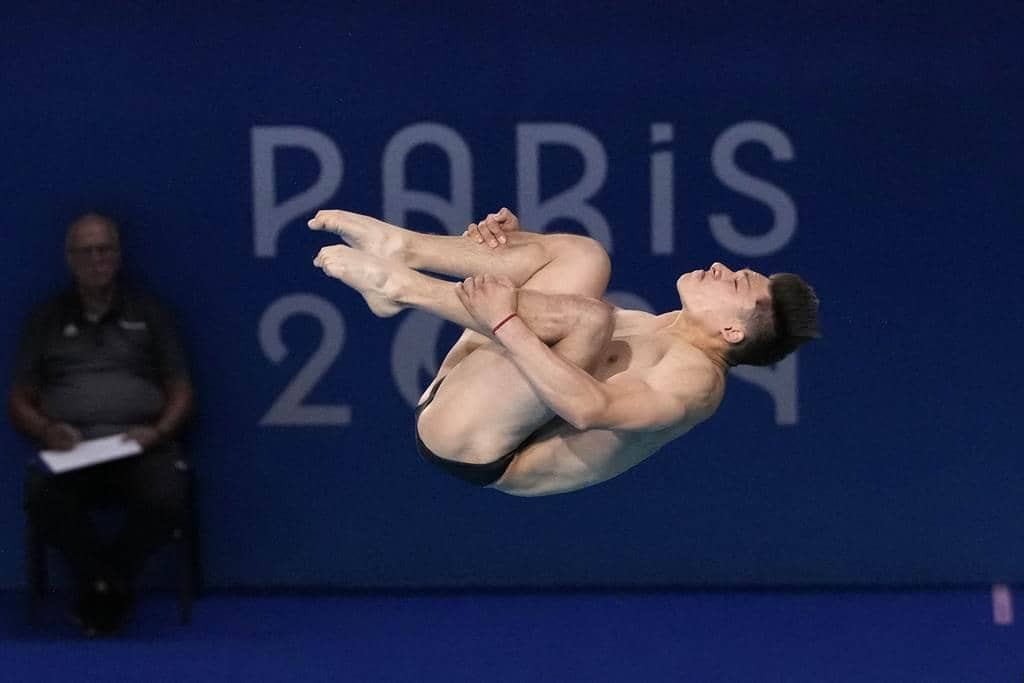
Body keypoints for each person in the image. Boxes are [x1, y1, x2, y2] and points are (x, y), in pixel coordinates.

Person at [309, 208, 818, 496]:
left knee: (589, 318)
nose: (720, 267)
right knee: (583, 255)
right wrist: (508, 246)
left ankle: (403, 287)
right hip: (468, 391)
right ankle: (406, 251)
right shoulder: (664, 326)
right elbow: (547, 313)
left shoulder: (696, 383)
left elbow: (588, 408)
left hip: (479, 446)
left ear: (731, 331)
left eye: (737, 282)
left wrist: (503, 319)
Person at [8, 212, 194, 635]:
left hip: (142, 445)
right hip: (72, 449)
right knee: (41, 496)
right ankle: (108, 583)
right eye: (87, 252)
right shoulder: (45, 319)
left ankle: (104, 584)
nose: (97, 259)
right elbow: (19, 399)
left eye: (105, 249)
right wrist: (45, 431)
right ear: (70, 259)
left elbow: (182, 389)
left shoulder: (149, 312)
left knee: (168, 495)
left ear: (119, 255)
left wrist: (159, 431)